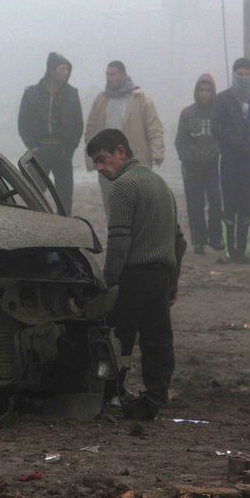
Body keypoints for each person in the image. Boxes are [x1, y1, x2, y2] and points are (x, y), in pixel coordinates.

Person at [86, 128, 186, 420]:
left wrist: (109, 283)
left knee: (113, 342)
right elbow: (179, 241)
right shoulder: (159, 184)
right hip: (160, 278)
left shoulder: (122, 187)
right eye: (96, 164)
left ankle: (106, 396)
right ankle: (156, 396)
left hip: (132, 278)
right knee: (158, 341)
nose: (101, 169)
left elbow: (119, 242)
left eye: (103, 160)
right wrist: (172, 283)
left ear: (121, 151)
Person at [211, 57, 250, 264]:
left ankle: (242, 252)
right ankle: (229, 251)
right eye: (240, 74)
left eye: (247, 74)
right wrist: (237, 144)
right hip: (229, 160)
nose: (244, 78)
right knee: (229, 207)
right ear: (234, 74)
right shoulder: (222, 100)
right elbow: (217, 128)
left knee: (246, 207)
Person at [17, 52, 84, 214]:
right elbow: (23, 122)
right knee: (33, 192)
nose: (66, 72)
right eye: (62, 69)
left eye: (68, 69)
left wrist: (69, 149)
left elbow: (78, 124)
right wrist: (32, 146)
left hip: (62, 151)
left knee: (64, 195)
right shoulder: (32, 93)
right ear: (51, 70)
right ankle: (34, 222)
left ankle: (66, 225)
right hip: (39, 151)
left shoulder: (72, 94)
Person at [174, 74, 223, 255]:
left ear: (213, 92)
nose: (204, 93)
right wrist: (190, 156)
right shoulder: (187, 113)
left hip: (214, 167)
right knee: (195, 206)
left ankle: (216, 238)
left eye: (208, 90)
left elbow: (224, 138)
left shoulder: (219, 113)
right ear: (197, 91)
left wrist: (212, 153)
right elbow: (180, 141)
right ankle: (198, 242)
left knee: (217, 202)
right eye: (201, 90)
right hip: (192, 167)